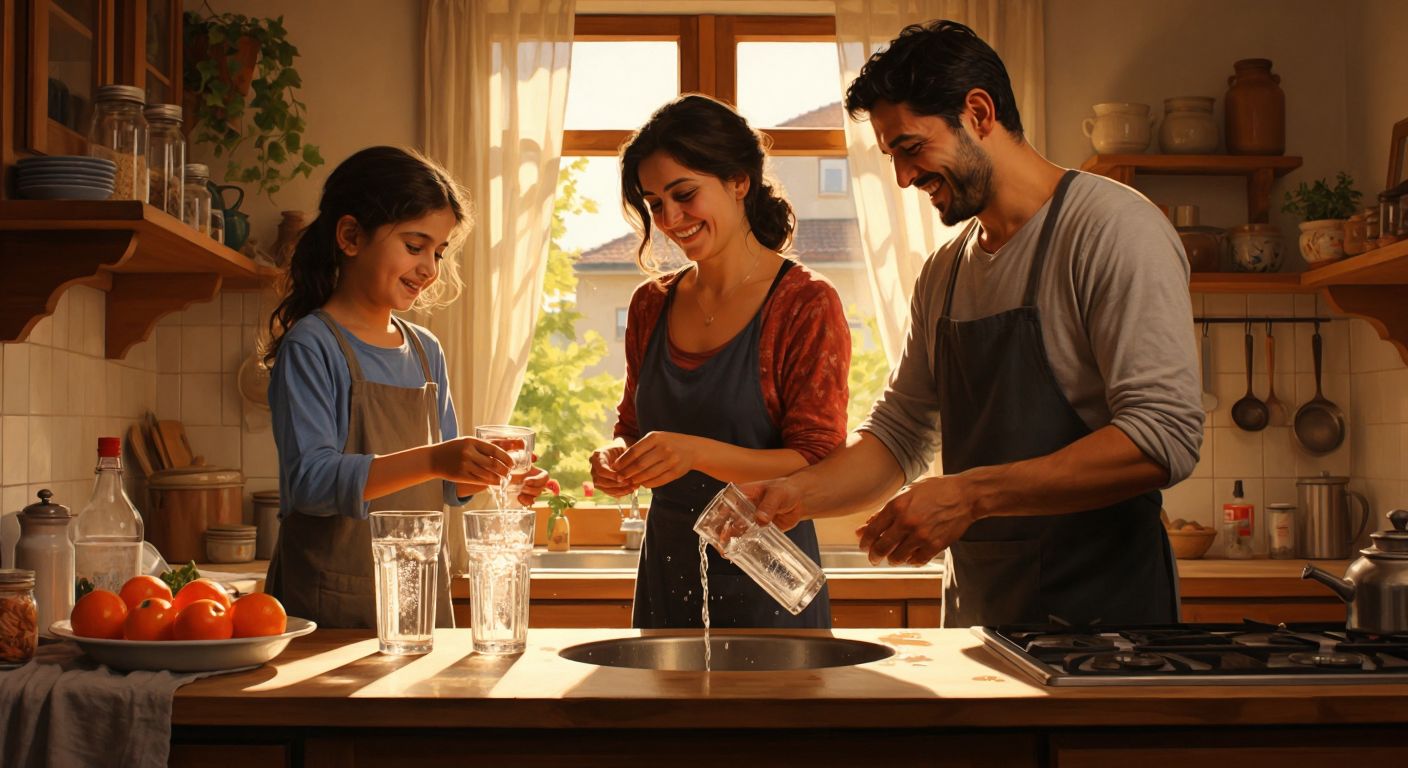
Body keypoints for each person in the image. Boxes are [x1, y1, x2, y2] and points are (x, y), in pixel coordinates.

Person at [745, 21, 1204, 628]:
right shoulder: (946, 272)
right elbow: (902, 432)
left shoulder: (1112, 230)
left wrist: (970, 495)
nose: (905, 179)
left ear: (979, 112)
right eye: (892, 159)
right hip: (978, 619)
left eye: (911, 148)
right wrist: (794, 494)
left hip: (1104, 622)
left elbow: (1162, 436)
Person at [589, 95, 851, 629]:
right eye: (654, 204)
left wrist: (694, 454)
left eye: (684, 195)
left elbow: (816, 459)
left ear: (738, 181)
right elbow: (633, 429)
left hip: (768, 576)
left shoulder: (804, 303)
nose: (669, 219)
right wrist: (618, 459)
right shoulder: (650, 304)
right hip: (665, 569)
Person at [263, 146, 548, 629]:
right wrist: (438, 457)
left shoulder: (424, 350)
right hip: (327, 607)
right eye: (415, 247)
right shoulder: (312, 345)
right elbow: (310, 482)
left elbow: (447, 484)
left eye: (438, 252)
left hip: (417, 601)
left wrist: (498, 474)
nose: (430, 269)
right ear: (351, 236)